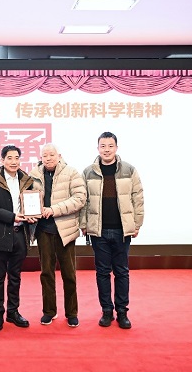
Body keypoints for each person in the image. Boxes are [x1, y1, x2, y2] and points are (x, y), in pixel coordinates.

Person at [80, 131, 144, 329]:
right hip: (98, 231)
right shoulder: (88, 172)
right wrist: (84, 224)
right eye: (103, 146)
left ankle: (122, 312)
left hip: (122, 230)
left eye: (110, 146)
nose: (106, 150)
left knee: (122, 272)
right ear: (97, 148)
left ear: (116, 148)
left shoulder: (129, 170)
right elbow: (83, 201)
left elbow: (138, 198)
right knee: (102, 273)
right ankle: (106, 311)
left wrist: (137, 224)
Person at [29, 143, 86, 327]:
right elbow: (26, 198)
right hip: (43, 231)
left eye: (51, 155)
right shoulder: (33, 175)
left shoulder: (71, 173)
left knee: (69, 274)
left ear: (59, 156)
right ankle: (49, 311)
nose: (48, 158)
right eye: (45, 155)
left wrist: (54, 209)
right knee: (46, 273)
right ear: (41, 157)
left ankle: (72, 312)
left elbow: (80, 199)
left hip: (65, 231)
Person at [0, 144, 37, 332]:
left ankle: (13, 311)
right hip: (0, 233)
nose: (14, 162)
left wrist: (32, 215)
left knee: (15, 276)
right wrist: (12, 217)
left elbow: (31, 204)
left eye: (17, 158)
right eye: (9, 158)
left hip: (20, 234)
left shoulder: (26, 180)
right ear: (2, 160)